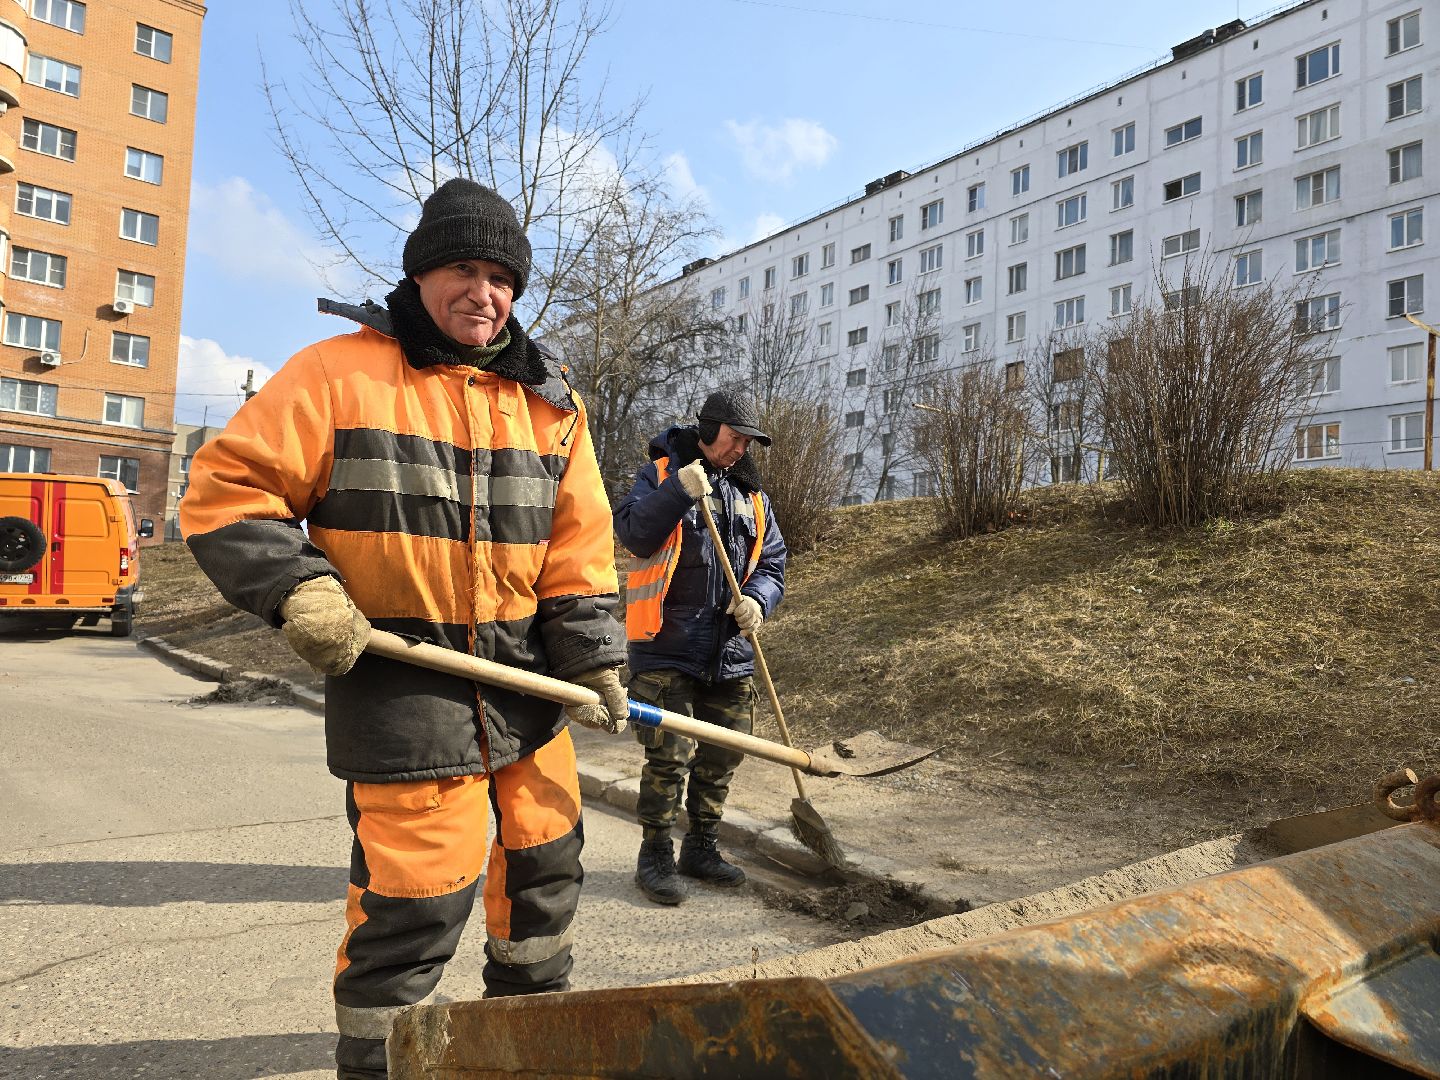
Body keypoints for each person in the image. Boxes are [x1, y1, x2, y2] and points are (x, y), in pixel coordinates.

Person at [179, 178, 629, 1080]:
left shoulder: (553, 405)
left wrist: (597, 661)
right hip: (401, 682)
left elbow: (579, 553)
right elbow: (228, 494)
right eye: (464, 268)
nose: (484, 292)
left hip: (526, 687)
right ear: (421, 274)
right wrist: (299, 590)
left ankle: (526, 1050)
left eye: (503, 277)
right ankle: (380, 1068)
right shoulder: (337, 375)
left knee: (546, 874)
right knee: (416, 904)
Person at [612, 390, 787, 906]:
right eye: (735, 439)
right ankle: (655, 856)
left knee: (723, 755)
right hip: (667, 649)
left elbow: (773, 562)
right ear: (710, 430)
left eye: (748, 443)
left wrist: (758, 599)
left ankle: (702, 847)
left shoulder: (751, 494)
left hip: (729, 653)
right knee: (669, 759)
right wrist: (679, 492)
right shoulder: (662, 473)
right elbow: (635, 533)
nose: (741, 450)